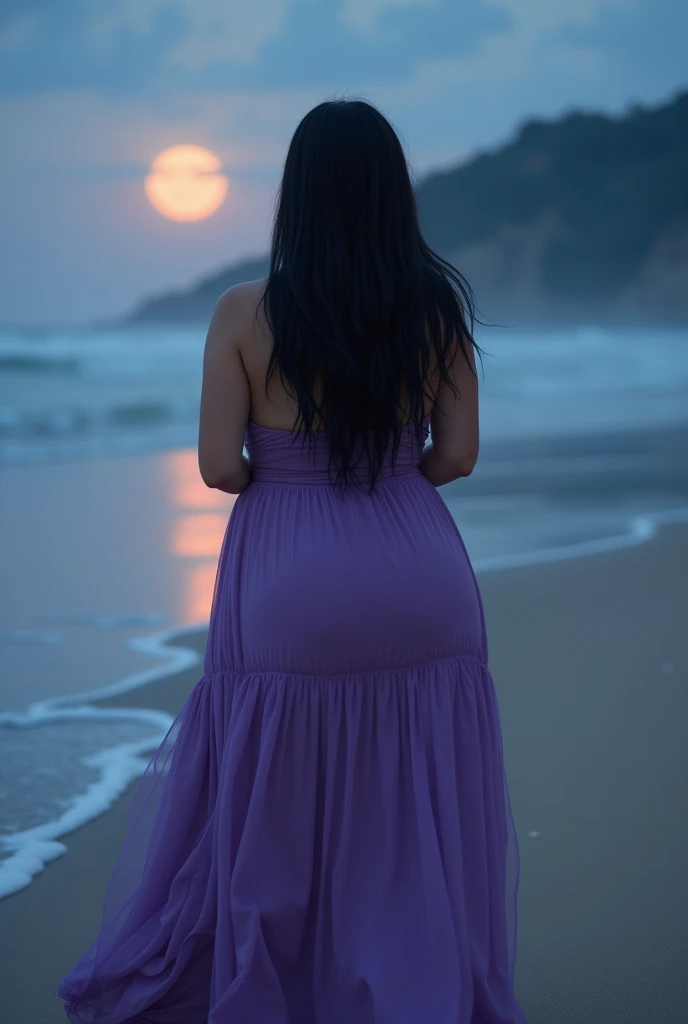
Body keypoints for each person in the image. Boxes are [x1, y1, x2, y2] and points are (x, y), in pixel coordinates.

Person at [58, 98, 528, 1023]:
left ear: (295, 196)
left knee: (278, 790)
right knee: (412, 791)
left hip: (292, 577)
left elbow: (219, 466)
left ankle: (283, 981)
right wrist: (391, 471)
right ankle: (412, 974)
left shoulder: (244, 311)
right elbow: (459, 455)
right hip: (417, 572)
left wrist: (292, 468)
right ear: (394, 193)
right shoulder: (436, 309)